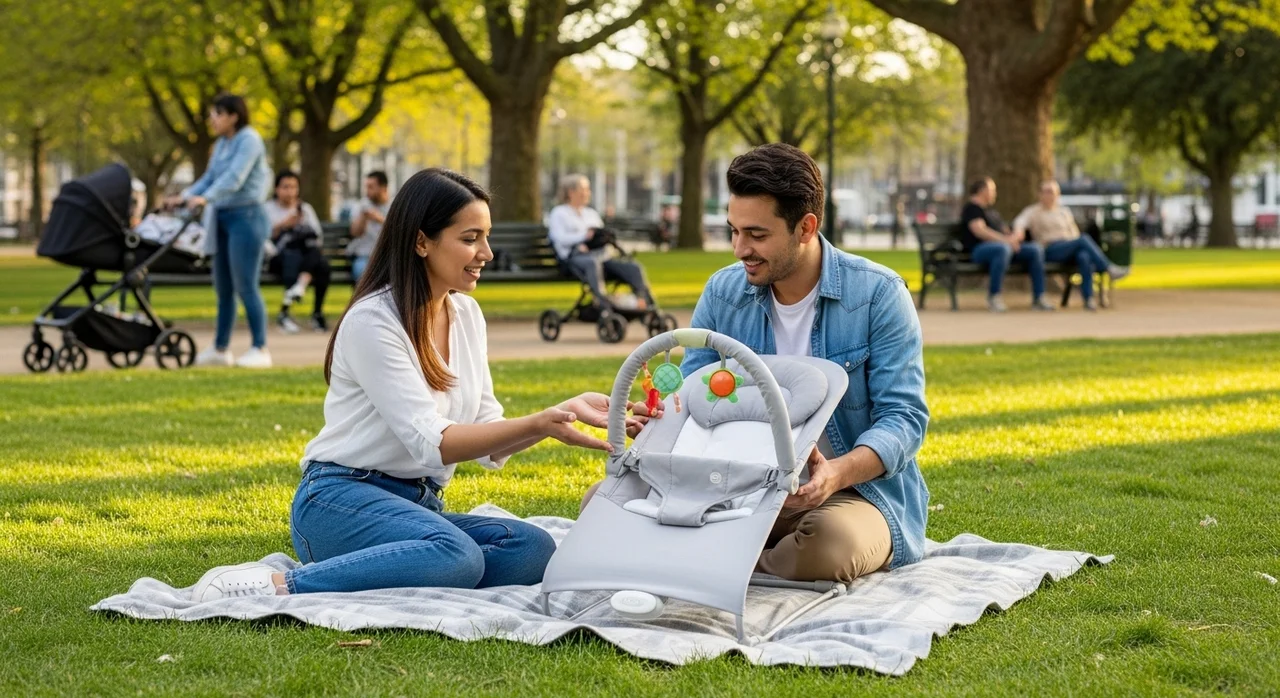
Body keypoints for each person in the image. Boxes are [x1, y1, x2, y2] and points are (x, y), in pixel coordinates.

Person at [186, 169, 654, 601]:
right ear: (421, 242)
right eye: (470, 239)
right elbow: (434, 443)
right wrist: (541, 423)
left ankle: (411, 565)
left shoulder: (466, 314)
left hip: (418, 506)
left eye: (486, 237)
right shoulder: (373, 321)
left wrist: (563, 412)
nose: (486, 254)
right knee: (458, 555)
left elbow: (486, 428)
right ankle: (279, 586)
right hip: (339, 501)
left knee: (530, 548)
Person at [679, 143, 931, 583]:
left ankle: (714, 558)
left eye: (757, 235)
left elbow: (904, 419)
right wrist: (661, 416)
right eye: (733, 231)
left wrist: (834, 474)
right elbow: (690, 397)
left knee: (830, 546)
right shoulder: (722, 293)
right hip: (739, 489)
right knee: (601, 501)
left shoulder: (878, 294)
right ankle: (740, 555)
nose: (739, 249)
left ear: (806, 227)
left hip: (850, 494)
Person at [166, 93, 273, 368]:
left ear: (234, 116)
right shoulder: (222, 144)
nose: (212, 119)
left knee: (246, 285)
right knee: (223, 287)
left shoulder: (249, 139)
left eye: (218, 114)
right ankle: (220, 348)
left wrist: (205, 198)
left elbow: (235, 178)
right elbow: (210, 178)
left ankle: (260, 348)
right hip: (222, 218)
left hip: (246, 218)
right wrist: (183, 198)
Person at [1012, 181, 1131, 311]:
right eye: (1046, 192)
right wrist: (1018, 234)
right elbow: (1020, 222)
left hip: (1070, 248)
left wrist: (1074, 244)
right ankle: (1107, 268)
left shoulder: (1064, 212)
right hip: (1049, 250)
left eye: (1052, 192)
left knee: (1084, 256)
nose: (1049, 195)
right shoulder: (1033, 211)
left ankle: (1088, 299)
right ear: (1040, 194)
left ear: (1057, 195)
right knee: (1083, 240)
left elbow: (1074, 234)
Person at [547, 174, 654, 310]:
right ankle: (603, 305)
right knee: (592, 263)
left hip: (600, 257)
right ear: (571, 192)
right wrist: (584, 237)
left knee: (633, 268)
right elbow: (559, 238)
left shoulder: (591, 214)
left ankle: (646, 304)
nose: (588, 193)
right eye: (584, 189)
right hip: (574, 260)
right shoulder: (559, 213)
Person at [959, 177, 1052, 313]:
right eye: (992, 190)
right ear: (982, 191)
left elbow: (1006, 231)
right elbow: (980, 231)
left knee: (1035, 250)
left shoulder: (992, 212)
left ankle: (1039, 297)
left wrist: (1014, 238)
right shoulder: (972, 208)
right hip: (979, 250)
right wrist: (1005, 241)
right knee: (1002, 249)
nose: (995, 194)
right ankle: (994, 296)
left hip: (1005, 249)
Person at [265, 171, 331, 332]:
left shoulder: (305, 209)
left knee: (322, 265)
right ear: (276, 189)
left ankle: (316, 312)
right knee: (294, 259)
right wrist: (284, 225)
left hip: (305, 255)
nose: (290, 191)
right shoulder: (267, 209)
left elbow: (317, 236)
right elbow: (262, 238)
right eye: (285, 187)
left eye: (293, 187)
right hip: (278, 256)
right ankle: (286, 312)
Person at [347, 171, 391, 282]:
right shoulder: (361, 206)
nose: (367, 191)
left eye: (371, 187)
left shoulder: (393, 206)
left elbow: (400, 232)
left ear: (383, 188)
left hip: (387, 256)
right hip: (364, 256)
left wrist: (380, 219)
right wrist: (363, 217)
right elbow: (354, 233)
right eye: (366, 187)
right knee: (363, 271)